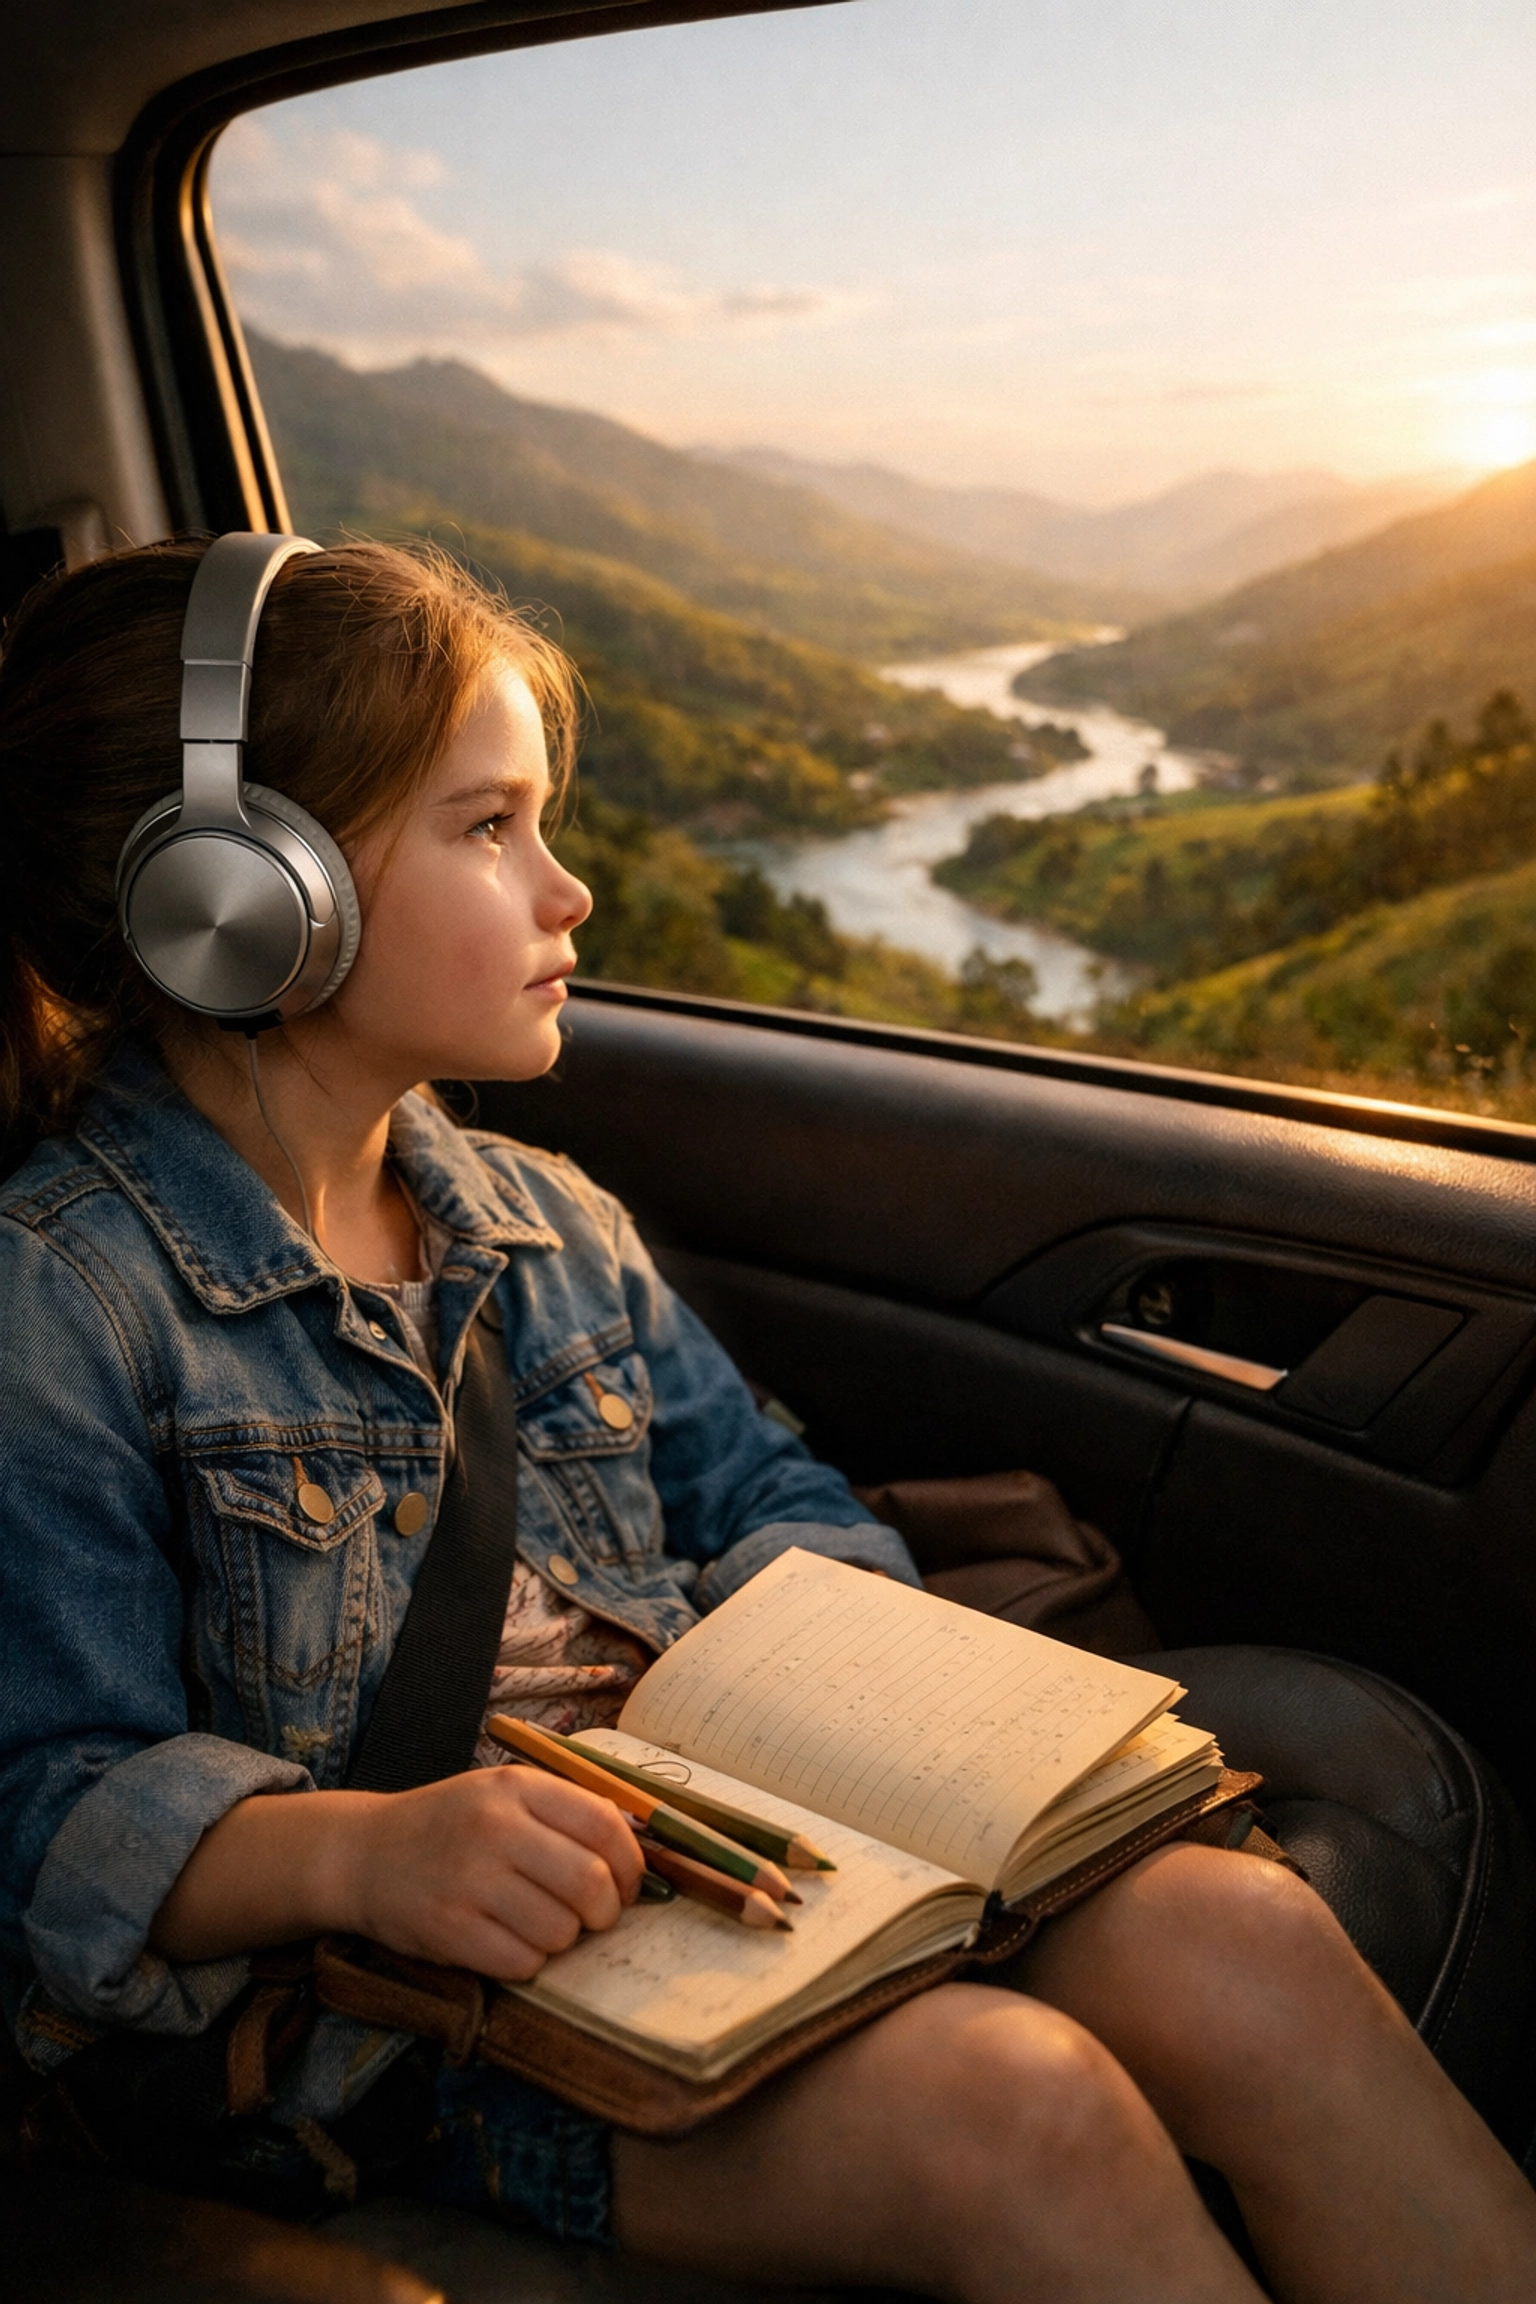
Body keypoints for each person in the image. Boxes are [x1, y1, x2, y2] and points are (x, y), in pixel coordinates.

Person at [0, 537, 1532, 2304]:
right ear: (242, 895)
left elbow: (773, 1491)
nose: (568, 891)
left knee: (1242, 1934)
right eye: (491, 828)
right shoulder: (65, 1304)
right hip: (405, 2021)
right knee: (1017, 2111)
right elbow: (49, 1810)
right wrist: (368, 1850)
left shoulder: (548, 1223)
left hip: (734, 1859)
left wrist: (816, 1690)